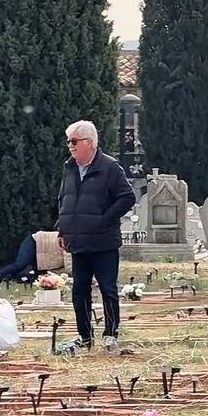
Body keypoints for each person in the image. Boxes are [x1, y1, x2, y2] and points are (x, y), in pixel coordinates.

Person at [56, 120, 136, 353]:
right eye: (68, 142)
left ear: (89, 142)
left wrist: (104, 220)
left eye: (73, 141)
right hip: (78, 241)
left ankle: (111, 334)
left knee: (107, 288)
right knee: (79, 289)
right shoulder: (69, 167)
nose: (70, 146)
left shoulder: (110, 167)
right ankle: (84, 336)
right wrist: (62, 228)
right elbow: (65, 199)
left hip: (103, 241)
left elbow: (127, 197)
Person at [0, 231, 70, 284]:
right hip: (34, 241)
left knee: (40, 279)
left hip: (43, 254)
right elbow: (69, 266)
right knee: (20, 265)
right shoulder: (71, 243)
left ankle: (10, 278)